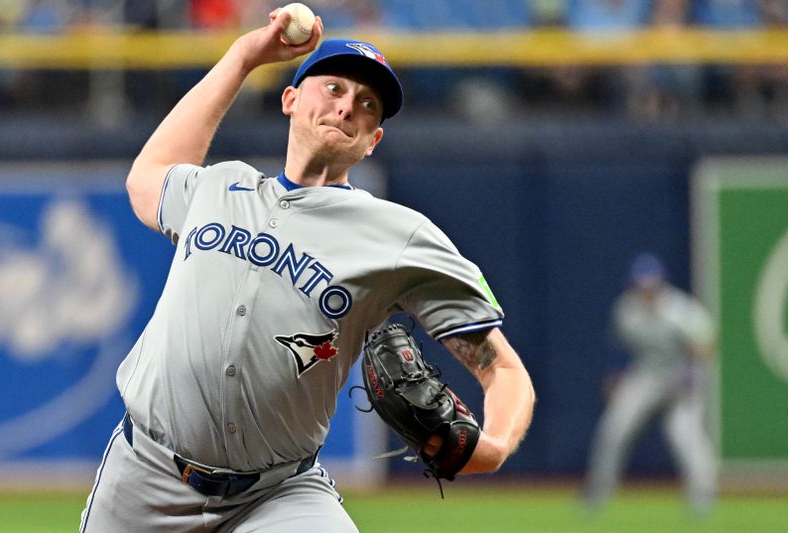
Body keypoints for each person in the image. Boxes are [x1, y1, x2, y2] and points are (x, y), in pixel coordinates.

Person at [79, 8, 536, 533]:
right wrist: (245, 55)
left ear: (372, 141)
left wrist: (496, 446)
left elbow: (500, 367)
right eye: (334, 88)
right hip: (144, 475)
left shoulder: (398, 235)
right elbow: (147, 179)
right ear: (290, 100)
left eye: (368, 105)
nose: (347, 107)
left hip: (279, 494)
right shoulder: (219, 187)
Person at [582, 252, 717, 515]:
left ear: (661, 283)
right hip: (646, 375)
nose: (646, 291)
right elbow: (619, 349)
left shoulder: (679, 309)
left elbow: (704, 345)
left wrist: (692, 377)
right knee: (615, 429)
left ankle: (703, 498)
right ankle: (598, 493)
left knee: (686, 438)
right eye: (641, 285)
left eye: (650, 285)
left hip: (680, 375)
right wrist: (615, 376)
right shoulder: (627, 309)